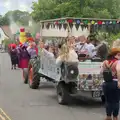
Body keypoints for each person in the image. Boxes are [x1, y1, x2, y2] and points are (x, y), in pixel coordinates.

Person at [101, 45, 120, 120]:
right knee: (116, 101)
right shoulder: (118, 62)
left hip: (106, 83)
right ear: (116, 54)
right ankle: (115, 117)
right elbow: (118, 70)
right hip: (115, 83)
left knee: (108, 101)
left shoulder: (104, 62)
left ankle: (108, 116)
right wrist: (119, 81)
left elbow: (101, 72)